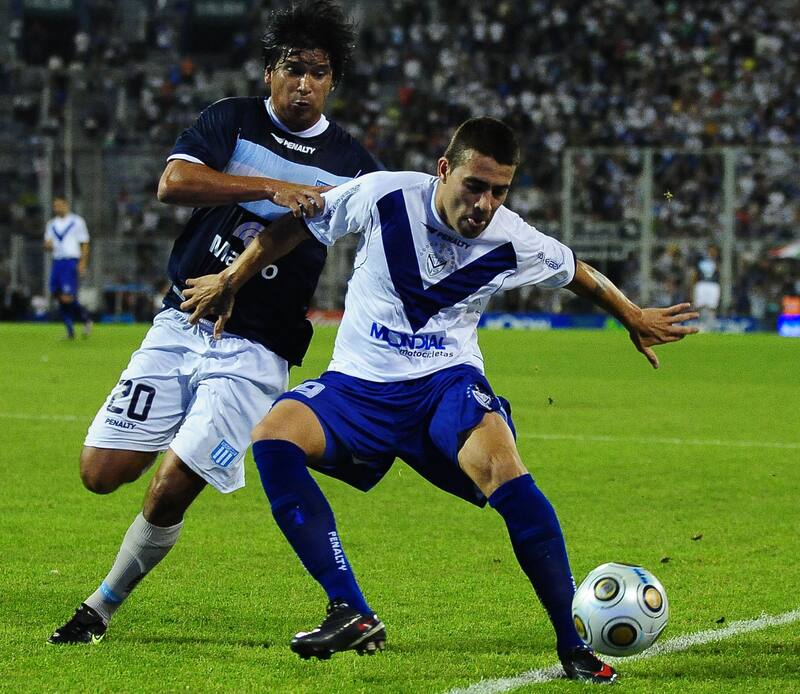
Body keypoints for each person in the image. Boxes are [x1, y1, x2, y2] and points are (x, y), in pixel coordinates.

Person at [180, 117, 698, 682]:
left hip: (445, 383)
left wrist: (633, 316)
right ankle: (350, 607)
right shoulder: (383, 194)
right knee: (273, 439)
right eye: (475, 186)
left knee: (506, 470)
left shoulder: (512, 237)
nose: (485, 204)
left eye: (499, 191)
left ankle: (573, 644)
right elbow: (295, 226)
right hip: (358, 385)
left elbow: (578, 270)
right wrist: (232, 277)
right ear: (444, 169)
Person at [48, 0, 379, 645]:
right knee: (99, 472)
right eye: (292, 68)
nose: (304, 82)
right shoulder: (231, 119)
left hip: (257, 347)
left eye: (318, 71)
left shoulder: (352, 163)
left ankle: (100, 609)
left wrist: (241, 277)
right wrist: (266, 186)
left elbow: (337, 240)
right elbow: (174, 183)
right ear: (269, 73)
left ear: (333, 81)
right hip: (181, 322)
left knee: (172, 485)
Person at [44, 197, 92, 339]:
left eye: (59, 205)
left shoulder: (77, 222)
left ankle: (86, 318)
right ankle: (70, 330)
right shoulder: (51, 224)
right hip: (57, 261)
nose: (57, 208)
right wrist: (48, 246)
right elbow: (47, 242)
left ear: (66, 205)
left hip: (70, 261)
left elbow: (85, 243)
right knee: (57, 295)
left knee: (67, 297)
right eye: (55, 206)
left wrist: (82, 262)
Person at [691, 244, 721, 326]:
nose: (713, 252)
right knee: (699, 305)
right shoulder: (700, 260)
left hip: (713, 284)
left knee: (712, 306)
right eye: (711, 250)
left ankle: (711, 324)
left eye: (714, 250)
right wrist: (693, 285)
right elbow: (695, 273)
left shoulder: (718, 261)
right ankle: (700, 324)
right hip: (702, 284)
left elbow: (719, 274)